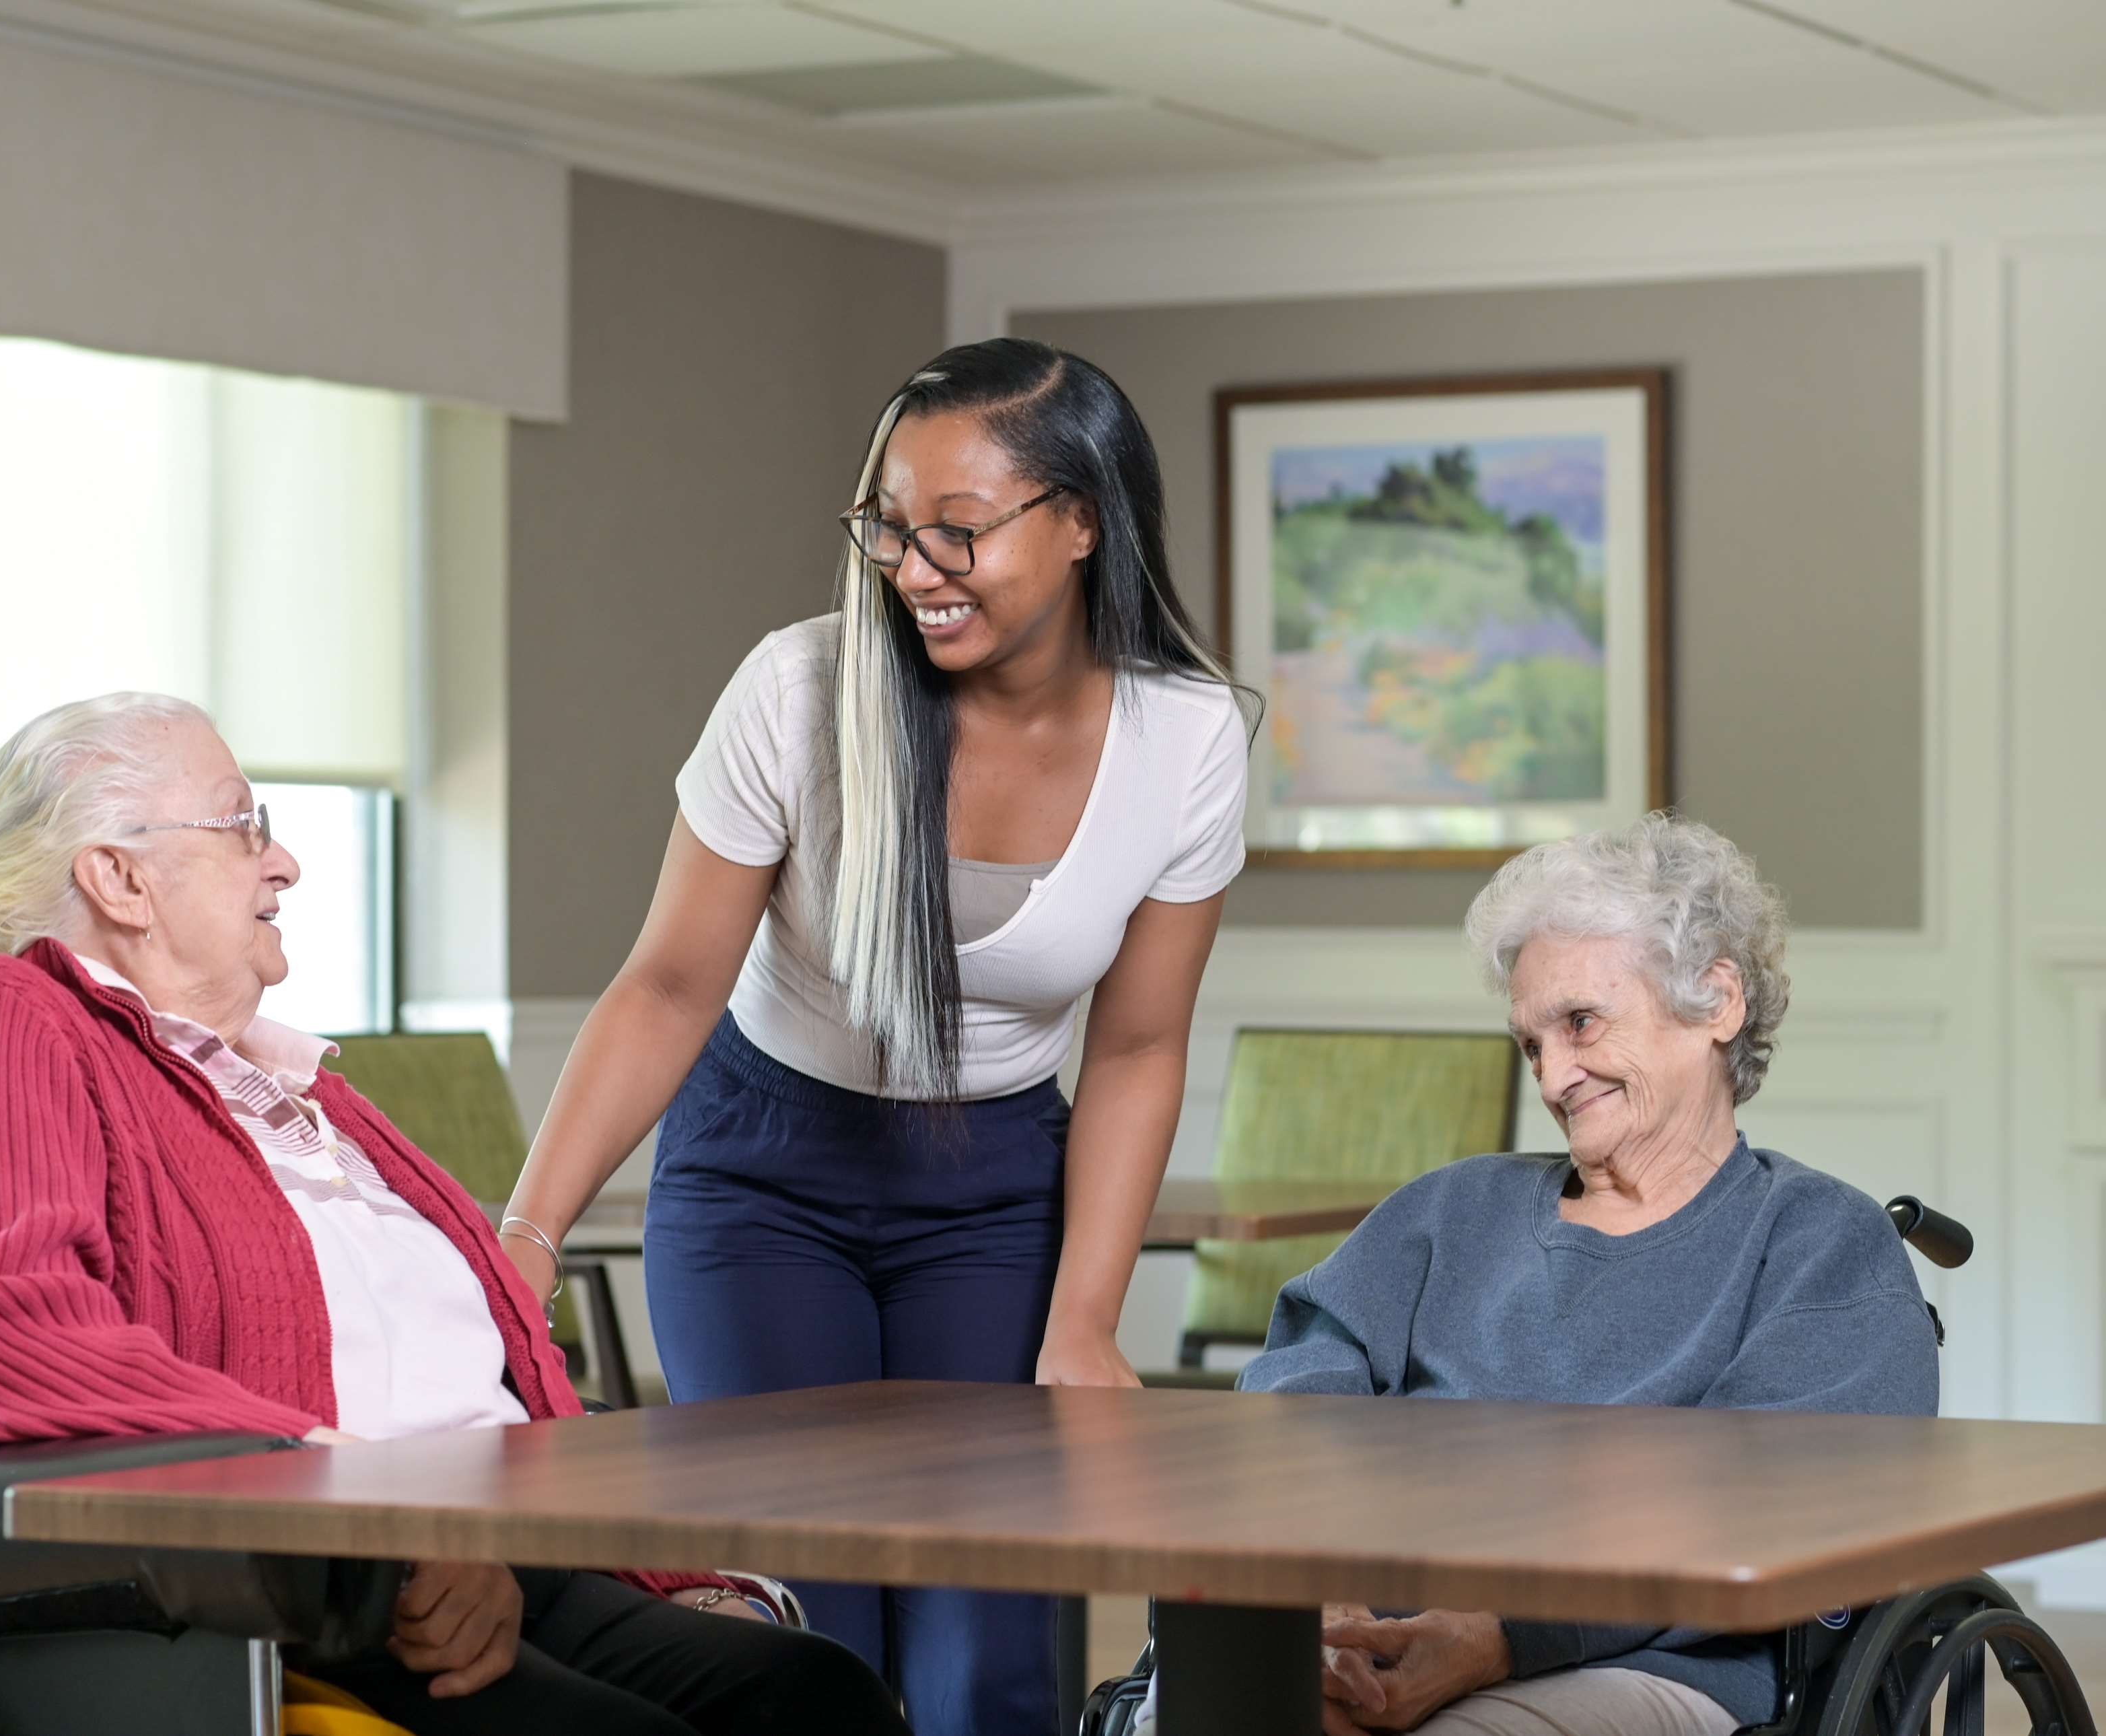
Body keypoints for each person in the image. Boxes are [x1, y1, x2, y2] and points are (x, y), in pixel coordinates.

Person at [0, 693, 910, 1736]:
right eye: (247, 826)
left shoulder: (294, 1091)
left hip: (498, 1552)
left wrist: (670, 1583)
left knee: (815, 1696)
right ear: (119, 879)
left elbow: (488, 1380)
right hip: (289, 1586)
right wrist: (378, 1522)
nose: (283, 861)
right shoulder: (1, 1022)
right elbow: (2, 1346)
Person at [497, 337, 1250, 1733]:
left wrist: (1084, 1318)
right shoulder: (797, 690)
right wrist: (526, 1242)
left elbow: (1139, 1049)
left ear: (1082, 522)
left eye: (958, 530)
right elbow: (667, 986)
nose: (915, 567)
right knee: (803, 1629)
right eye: (889, 528)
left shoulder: (1185, 738)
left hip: (996, 1195)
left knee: (990, 1643)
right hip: (763, 1176)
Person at [1232, 814, 1940, 1736]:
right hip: (1374, 1625)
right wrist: (1314, 1584)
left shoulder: (1815, 1240)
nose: (1554, 1077)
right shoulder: (1453, 1210)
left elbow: (1773, 1511)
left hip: (1646, 1663)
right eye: (1532, 1044)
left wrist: (1502, 1637)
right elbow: (1298, 1375)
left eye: (1580, 1023)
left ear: (1716, 1002)